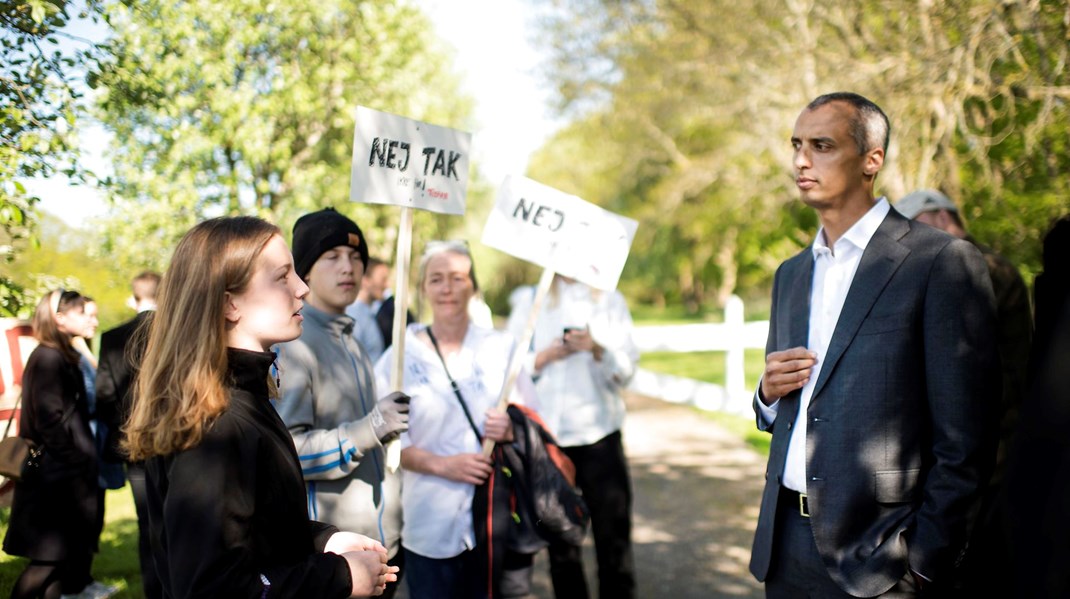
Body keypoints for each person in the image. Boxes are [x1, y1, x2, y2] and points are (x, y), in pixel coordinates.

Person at [749, 92, 1000, 597]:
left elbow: (967, 438)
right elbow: (796, 409)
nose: (800, 159)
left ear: (872, 159)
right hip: (784, 550)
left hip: (882, 559)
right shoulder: (790, 274)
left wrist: (926, 561)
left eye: (821, 145)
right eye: (796, 144)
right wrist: (766, 396)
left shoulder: (940, 262)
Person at [121, 216, 398, 598]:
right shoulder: (216, 423)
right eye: (282, 277)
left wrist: (321, 541)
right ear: (229, 303)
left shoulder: (243, 397)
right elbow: (212, 587)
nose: (301, 288)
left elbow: (256, 529)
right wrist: (339, 575)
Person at [374, 240, 539, 599]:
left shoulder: (502, 348)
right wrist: (441, 465)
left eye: (458, 278)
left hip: (493, 524)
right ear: (422, 289)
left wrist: (512, 429)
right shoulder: (400, 356)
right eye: (436, 279)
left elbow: (534, 420)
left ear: (473, 287)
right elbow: (384, 442)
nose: (447, 288)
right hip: (430, 524)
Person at [894, 189, 1034, 592]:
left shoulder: (980, 267)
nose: (906, 238)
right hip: (974, 446)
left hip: (991, 447)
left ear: (939, 217)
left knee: (975, 567)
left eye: (912, 225)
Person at [275, 209, 409, 598]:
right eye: (331, 256)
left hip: (382, 548)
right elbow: (289, 454)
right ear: (304, 271)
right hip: (336, 560)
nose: (347, 267)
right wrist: (368, 430)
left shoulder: (351, 338)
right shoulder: (294, 345)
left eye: (355, 258)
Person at [506, 275, 639, 599]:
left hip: (599, 436)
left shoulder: (609, 300)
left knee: (613, 538)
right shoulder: (530, 300)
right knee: (561, 545)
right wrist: (545, 356)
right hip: (548, 442)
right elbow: (506, 366)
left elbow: (627, 371)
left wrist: (596, 348)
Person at [3, 290, 99, 599]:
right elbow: (48, 420)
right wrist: (76, 458)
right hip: (54, 480)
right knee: (45, 563)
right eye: (83, 313)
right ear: (59, 318)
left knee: (58, 565)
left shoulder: (61, 355)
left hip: (65, 476)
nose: (90, 319)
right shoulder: (48, 358)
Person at [94, 271, 161, 599]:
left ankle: (154, 591)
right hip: (178, 438)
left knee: (148, 523)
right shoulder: (175, 330)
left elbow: (104, 396)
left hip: (133, 443)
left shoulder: (111, 337)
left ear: (134, 297)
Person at [345, 256, 390, 363]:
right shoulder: (354, 315)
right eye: (382, 280)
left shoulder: (369, 313)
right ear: (366, 281)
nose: (387, 285)